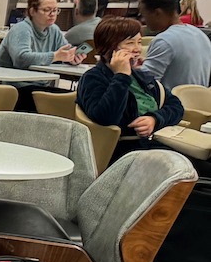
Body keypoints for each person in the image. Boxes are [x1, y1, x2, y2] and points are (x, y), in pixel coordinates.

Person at [77, 16, 185, 161]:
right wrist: (121, 76)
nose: (137, 49)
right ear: (110, 47)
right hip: (124, 151)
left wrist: (155, 119)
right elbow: (105, 118)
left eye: (139, 42)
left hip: (153, 143)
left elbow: (176, 106)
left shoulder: (141, 76)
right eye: (130, 43)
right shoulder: (93, 78)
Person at [139, 0, 211, 92]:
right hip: (197, 104)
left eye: (144, 15)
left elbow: (145, 84)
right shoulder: (200, 34)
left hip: (172, 105)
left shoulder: (165, 40)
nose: (143, 20)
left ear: (157, 13)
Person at [0, 0, 79, 69]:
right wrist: (55, 56)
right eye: (47, 10)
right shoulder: (21, 29)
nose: (52, 14)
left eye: (55, 10)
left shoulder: (54, 30)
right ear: (32, 11)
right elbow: (21, 59)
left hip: (42, 81)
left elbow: (64, 51)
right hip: (16, 82)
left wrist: (71, 57)